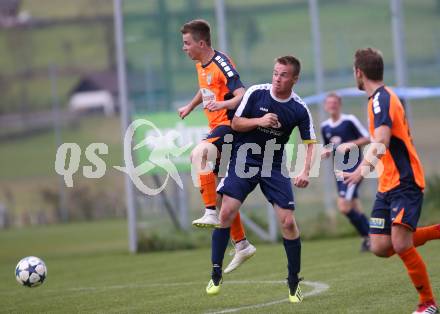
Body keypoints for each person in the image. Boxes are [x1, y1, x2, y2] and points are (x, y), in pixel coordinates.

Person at [206, 55, 317, 304]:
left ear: (295, 79)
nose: (277, 78)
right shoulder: (257, 93)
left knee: (287, 222)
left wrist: (305, 171)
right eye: (275, 73)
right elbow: (235, 123)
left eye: (284, 75)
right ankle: (216, 273)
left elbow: (311, 143)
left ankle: (293, 280)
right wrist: (260, 120)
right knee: (226, 212)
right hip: (245, 159)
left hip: (273, 165)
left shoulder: (299, 108)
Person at [344, 47, 440, 314]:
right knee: (380, 246)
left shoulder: (381, 101)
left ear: (359, 73)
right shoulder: (376, 99)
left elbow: (382, 142)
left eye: (354, 71)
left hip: (405, 182)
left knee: (400, 243)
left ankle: (427, 304)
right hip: (387, 185)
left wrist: (360, 170)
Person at [178, 19, 256, 273]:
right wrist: (190, 107)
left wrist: (221, 106)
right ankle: (242, 244)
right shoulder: (201, 63)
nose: (184, 48)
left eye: (187, 43)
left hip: (230, 126)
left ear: (201, 43)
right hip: (216, 128)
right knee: (222, 192)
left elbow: (241, 93)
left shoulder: (222, 62)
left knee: (199, 155)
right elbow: (205, 89)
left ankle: (209, 211)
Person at [320, 92, 371, 251]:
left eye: (335, 102)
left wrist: (351, 144)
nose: (332, 105)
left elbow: (367, 138)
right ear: (325, 106)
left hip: (354, 169)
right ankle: (368, 238)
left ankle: (371, 236)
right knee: (354, 205)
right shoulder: (325, 126)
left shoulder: (349, 120)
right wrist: (325, 151)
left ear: (339, 104)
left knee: (343, 206)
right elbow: (328, 146)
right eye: (329, 103)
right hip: (340, 172)